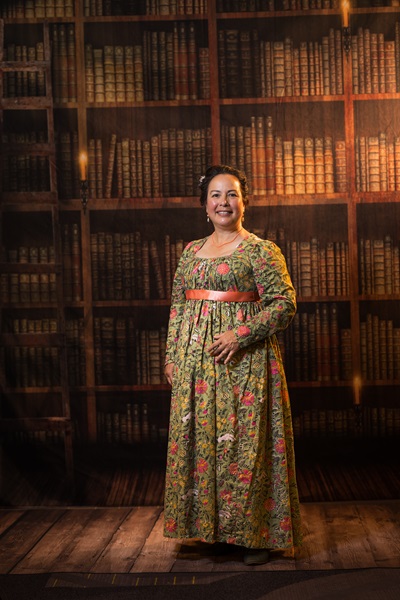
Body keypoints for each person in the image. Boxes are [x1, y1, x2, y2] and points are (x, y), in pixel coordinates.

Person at [163, 164, 302, 565]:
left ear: (244, 202)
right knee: (202, 445)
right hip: (195, 369)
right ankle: (208, 532)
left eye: (232, 194)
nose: (224, 202)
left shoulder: (261, 250)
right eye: (216, 195)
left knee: (246, 447)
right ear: (204, 205)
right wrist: (172, 356)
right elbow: (178, 305)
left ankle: (255, 537)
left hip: (247, 367)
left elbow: (284, 304)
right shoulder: (190, 251)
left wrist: (238, 335)